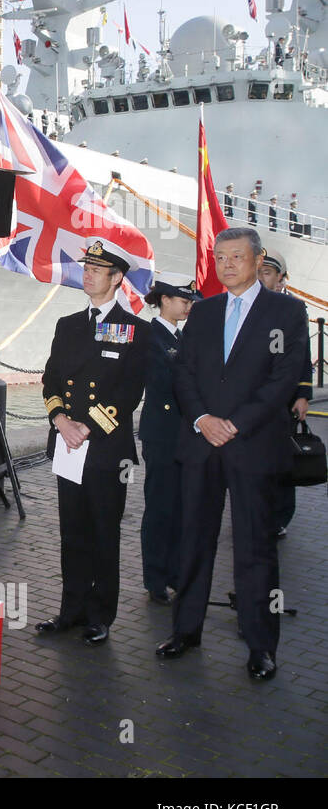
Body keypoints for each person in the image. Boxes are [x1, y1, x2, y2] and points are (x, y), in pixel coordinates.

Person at [156, 228, 308, 681]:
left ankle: (261, 645)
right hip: (202, 444)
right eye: (219, 257)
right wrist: (204, 419)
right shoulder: (203, 312)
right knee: (194, 540)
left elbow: (283, 378)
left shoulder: (288, 311)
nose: (226, 265)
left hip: (253, 445)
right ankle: (186, 631)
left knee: (255, 547)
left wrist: (235, 423)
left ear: (258, 260)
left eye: (236, 257)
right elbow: (182, 372)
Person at [37, 238, 148, 646]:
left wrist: (86, 427)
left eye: (97, 270)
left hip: (103, 449)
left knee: (104, 531)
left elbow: (129, 392)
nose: (87, 274)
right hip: (68, 445)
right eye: (86, 268)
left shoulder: (135, 330)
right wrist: (60, 419)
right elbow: (51, 380)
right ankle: (71, 610)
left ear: (117, 278)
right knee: (72, 532)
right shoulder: (67, 325)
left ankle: (101, 615)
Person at [138, 279, 201, 605]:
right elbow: (166, 380)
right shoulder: (151, 337)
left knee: (182, 508)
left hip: (185, 435)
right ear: (164, 300)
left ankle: (176, 572)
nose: (188, 306)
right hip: (163, 434)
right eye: (182, 300)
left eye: (190, 301)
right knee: (160, 508)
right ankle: (156, 578)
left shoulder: (182, 336)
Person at [257, 248, 313, 537]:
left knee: (281, 459)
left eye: (267, 272)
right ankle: (253, 512)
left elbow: (303, 352)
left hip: (283, 400)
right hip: (252, 398)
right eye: (258, 271)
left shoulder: (294, 309)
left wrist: (303, 394)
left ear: (281, 278)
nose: (261, 278)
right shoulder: (248, 305)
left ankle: (279, 517)